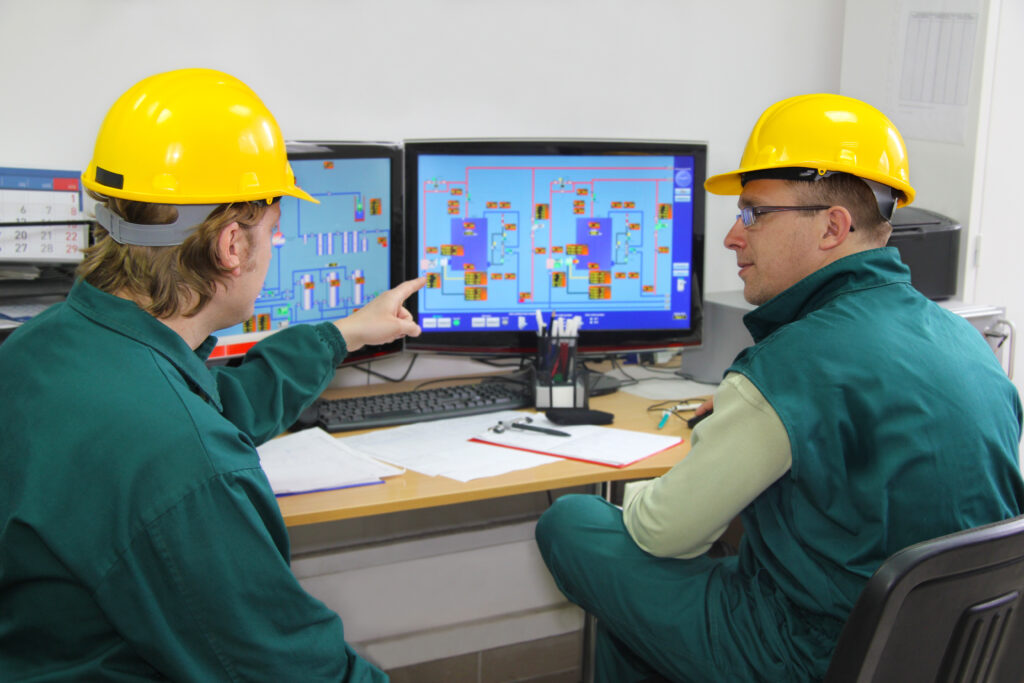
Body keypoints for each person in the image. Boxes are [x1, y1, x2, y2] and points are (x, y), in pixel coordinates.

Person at [534, 93, 1024, 682]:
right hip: (947, 651)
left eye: (754, 214)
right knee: (647, 612)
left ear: (833, 227)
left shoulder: (793, 363)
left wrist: (634, 496)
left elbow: (660, 534)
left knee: (576, 523)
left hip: (811, 653)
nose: (732, 239)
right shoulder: (966, 341)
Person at [0, 69, 424, 681]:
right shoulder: (182, 467)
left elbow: (216, 403)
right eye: (272, 232)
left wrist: (346, 332)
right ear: (231, 246)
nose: (273, 247)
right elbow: (294, 672)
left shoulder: (45, 347)